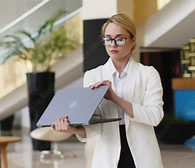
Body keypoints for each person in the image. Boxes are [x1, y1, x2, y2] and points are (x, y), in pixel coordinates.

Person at [52, 14, 164, 168]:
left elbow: (154, 117)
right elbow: (95, 126)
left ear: (133, 40)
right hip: (108, 156)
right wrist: (72, 129)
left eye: (119, 39)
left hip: (143, 156)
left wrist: (115, 98)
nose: (113, 44)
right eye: (108, 39)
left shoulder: (148, 74)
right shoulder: (93, 75)